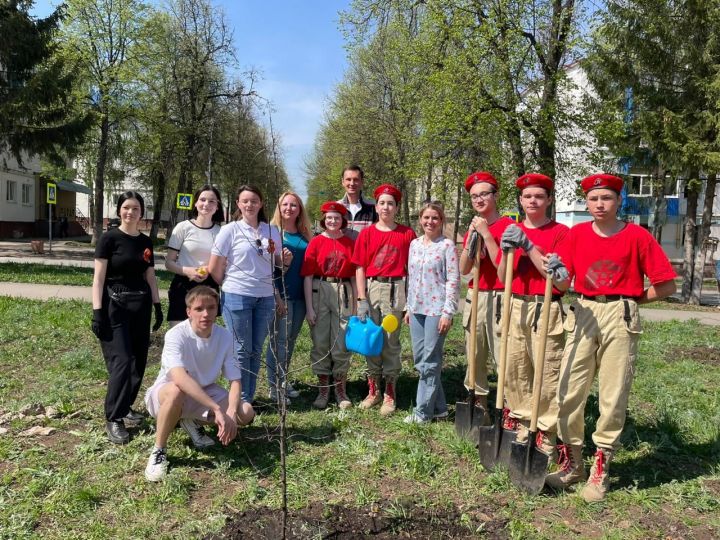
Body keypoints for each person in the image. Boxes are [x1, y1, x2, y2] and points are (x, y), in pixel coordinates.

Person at [544, 173, 676, 502]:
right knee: (568, 389)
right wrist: (557, 274)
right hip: (584, 311)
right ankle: (571, 463)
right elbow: (562, 285)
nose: (599, 204)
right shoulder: (575, 236)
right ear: (586, 202)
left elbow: (667, 284)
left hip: (620, 315)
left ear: (619, 201)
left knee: (613, 394)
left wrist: (630, 299)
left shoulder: (637, 236)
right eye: (593, 199)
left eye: (606, 198)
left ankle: (600, 469)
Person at [143, 286, 256, 481]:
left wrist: (229, 414)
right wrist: (216, 409)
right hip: (167, 393)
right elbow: (179, 378)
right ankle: (159, 450)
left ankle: (190, 420)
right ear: (188, 312)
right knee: (176, 392)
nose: (206, 314)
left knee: (246, 413)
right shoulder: (176, 335)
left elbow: (235, 380)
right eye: (199, 309)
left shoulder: (225, 336)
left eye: (211, 308)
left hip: (204, 392)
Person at [496, 173, 569, 455]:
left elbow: (560, 281)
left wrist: (529, 246)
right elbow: (504, 276)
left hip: (545, 306)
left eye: (539, 196)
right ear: (520, 200)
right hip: (515, 303)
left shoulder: (561, 232)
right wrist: (507, 251)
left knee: (546, 370)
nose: (533, 201)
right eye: (527, 197)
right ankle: (525, 422)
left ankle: (546, 431)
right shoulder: (513, 230)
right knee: (516, 368)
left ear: (549, 200)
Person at [91, 191, 163, 445]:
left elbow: (150, 275)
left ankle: (125, 405)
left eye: (135, 208)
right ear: (119, 210)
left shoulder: (145, 242)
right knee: (121, 360)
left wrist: (157, 305)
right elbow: (99, 278)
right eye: (126, 207)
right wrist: (97, 311)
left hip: (140, 307)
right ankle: (114, 417)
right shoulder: (109, 239)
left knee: (138, 361)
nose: (130, 212)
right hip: (115, 307)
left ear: (141, 213)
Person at [208, 185, 290, 404]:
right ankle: (239, 399)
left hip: (265, 298)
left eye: (254, 201)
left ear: (261, 203)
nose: (249, 205)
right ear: (238, 204)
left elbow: (278, 265)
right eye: (245, 201)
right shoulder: (230, 230)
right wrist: (230, 284)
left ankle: (248, 398)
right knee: (241, 350)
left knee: (255, 348)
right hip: (237, 296)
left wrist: (285, 260)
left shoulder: (271, 231)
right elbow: (214, 268)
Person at [351, 184, 416, 416]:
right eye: (382, 203)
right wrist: (361, 298)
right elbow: (359, 266)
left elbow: (413, 269)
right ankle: (373, 389)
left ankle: (390, 390)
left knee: (390, 340)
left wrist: (410, 300)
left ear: (397, 207)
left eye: (391, 203)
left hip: (396, 288)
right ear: (376, 206)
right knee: (371, 339)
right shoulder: (367, 234)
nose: (386, 207)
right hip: (373, 287)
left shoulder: (407, 234)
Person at [458, 172, 513, 413]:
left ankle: (508, 406)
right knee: (475, 353)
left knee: (503, 353)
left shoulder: (509, 226)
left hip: (500, 295)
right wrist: (472, 241)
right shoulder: (473, 226)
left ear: (495, 195)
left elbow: (504, 267)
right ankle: (478, 403)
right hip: (476, 294)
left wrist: (487, 235)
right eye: (474, 196)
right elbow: (464, 269)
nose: (479, 200)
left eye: (484, 194)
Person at [404, 201, 460, 424]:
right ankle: (440, 408)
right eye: (426, 217)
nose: (430, 222)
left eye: (435, 218)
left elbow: (453, 281)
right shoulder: (415, 244)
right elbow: (411, 277)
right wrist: (409, 307)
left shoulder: (447, 246)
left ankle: (422, 412)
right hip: (417, 309)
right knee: (420, 360)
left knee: (430, 361)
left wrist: (448, 313)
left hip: (437, 310)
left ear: (441, 220)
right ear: (420, 219)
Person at [302, 201, 357, 409]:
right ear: (324, 220)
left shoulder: (349, 243)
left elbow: (353, 276)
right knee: (320, 340)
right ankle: (323, 388)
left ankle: (340, 389)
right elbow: (307, 276)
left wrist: (355, 305)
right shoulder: (316, 242)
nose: (333, 221)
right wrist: (310, 307)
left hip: (343, 290)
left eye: (337, 217)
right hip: (320, 289)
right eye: (329, 217)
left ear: (343, 220)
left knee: (341, 339)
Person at [265, 191, 312, 403]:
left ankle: (283, 380)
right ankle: (273, 387)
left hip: (300, 296)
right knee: (278, 341)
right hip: (280, 295)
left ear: (299, 209)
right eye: (285, 204)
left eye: (294, 205)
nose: (289, 208)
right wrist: (276, 297)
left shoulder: (305, 235)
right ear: (279, 206)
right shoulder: (272, 232)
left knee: (291, 340)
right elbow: (266, 268)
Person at [165, 185, 224, 327]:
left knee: (203, 337)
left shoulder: (222, 232)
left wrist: (209, 270)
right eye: (202, 199)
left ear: (217, 206)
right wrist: (188, 271)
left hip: (209, 287)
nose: (206, 204)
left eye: (212, 201)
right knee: (179, 335)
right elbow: (168, 262)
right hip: (182, 286)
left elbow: (222, 264)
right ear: (196, 203)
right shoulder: (183, 227)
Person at [337, 165, 378, 239]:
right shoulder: (335, 207)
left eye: (356, 179)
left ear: (362, 182)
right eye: (348, 179)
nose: (352, 183)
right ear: (343, 182)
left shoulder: (374, 207)